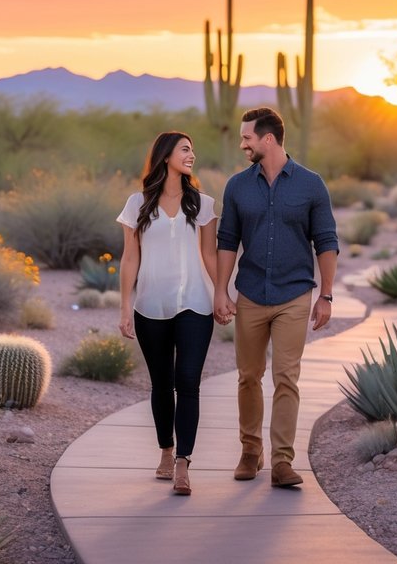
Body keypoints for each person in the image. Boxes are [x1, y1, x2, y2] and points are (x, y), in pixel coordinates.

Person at [213, 107, 338, 488]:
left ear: (268, 139)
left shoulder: (311, 184)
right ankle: (251, 451)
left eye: (247, 137)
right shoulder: (237, 186)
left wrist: (326, 295)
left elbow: (327, 241)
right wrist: (221, 290)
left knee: (287, 378)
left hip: (294, 294)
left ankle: (283, 461)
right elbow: (227, 242)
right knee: (249, 376)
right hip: (250, 293)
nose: (242, 144)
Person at [118, 131, 219, 496]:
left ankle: (183, 464)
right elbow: (130, 258)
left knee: (188, 382)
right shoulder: (138, 204)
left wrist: (222, 293)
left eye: (193, 149)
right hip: (150, 305)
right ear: (165, 156)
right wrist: (125, 305)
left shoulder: (203, 204)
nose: (192, 155)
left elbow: (209, 255)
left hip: (196, 304)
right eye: (185, 149)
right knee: (161, 384)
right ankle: (165, 450)